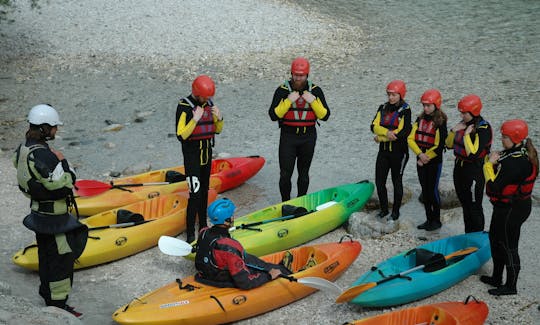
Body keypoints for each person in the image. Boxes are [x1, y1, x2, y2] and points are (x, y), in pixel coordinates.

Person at [13, 104, 88, 318]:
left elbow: (25, 175)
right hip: (55, 218)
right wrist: (64, 163)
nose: (56, 131)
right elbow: (65, 184)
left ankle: (47, 295)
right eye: (54, 127)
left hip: (38, 214)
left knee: (45, 255)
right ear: (45, 128)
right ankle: (59, 305)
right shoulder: (45, 156)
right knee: (61, 259)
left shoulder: (22, 150)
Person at [481, 119, 538, 296]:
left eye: (504, 137)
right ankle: (496, 277)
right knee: (494, 239)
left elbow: (492, 187)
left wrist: (488, 164)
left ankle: (511, 286)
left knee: (508, 246)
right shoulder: (515, 151)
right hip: (504, 206)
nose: (501, 139)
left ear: (515, 138)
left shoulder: (516, 162)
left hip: (513, 209)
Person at [268, 57, 330, 201]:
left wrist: (313, 101)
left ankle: (301, 201)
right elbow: (273, 115)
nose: (298, 78)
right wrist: (289, 100)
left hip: (308, 137)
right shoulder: (282, 91)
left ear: (307, 75)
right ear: (291, 74)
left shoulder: (316, 91)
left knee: (303, 173)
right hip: (288, 137)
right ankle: (285, 203)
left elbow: (325, 116)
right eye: (295, 75)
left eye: (301, 75)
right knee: (285, 175)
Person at [194, 198, 291, 289]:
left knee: (252, 259)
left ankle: (277, 267)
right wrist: (269, 276)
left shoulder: (203, 232)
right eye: (232, 215)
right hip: (222, 280)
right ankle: (285, 271)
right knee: (268, 270)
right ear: (227, 221)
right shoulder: (230, 246)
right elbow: (245, 282)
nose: (233, 217)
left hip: (205, 275)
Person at [175, 75, 224, 243]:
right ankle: (190, 233)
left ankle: (203, 226)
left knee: (204, 194)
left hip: (206, 156)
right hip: (192, 158)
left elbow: (217, 130)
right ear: (196, 93)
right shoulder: (184, 107)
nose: (207, 99)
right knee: (194, 195)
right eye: (205, 96)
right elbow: (181, 134)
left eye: (209, 97)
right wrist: (195, 119)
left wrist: (219, 118)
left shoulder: (209, 104)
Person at [445, 94, 492, 233]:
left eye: (464, 113)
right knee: (465, 205)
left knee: (474, 206)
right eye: (461, 112)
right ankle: (468, 234)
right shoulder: (462, 124)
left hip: (474, 171)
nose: (462, 115)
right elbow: (448, 145)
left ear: (474, 111)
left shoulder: (483, 129)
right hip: (459, 168)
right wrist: (454, 130)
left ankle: (477, 235)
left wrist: (466, 134)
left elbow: (473, 153)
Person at [371, 80, 412, 221]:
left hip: (399, 153)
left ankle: (395, 212)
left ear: (401, 95)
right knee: (379, 181)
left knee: (397, 181)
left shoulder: (406, 110)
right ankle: (383, 210)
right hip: (383, 152)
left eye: (394, 95)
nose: (391, 98)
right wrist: (386, 133)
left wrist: (382, 138)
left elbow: (402, 133)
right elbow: (373, 126)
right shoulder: (382, 108)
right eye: (389, 94)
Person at [407, 89, 448, 231]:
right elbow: (410, 139)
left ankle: (436, 220)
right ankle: (428, 219)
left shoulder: (440, 122)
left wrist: (426, 157)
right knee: (425, 190)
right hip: (420, 159)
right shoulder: (420, 119)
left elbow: (440, 145)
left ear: (436, 105)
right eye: (424, 105)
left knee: (433, 191)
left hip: (434, 162)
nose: (425, 108)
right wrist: (419, 154)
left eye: (428, 105)